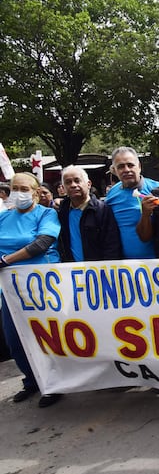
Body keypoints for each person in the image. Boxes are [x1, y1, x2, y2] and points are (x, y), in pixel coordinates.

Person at [0, 172, 62, 407]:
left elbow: (41, 244)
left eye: (24, 188)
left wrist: (6, 260)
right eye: (15, 188)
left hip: (40, 286)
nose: (19, 193)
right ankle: (31, 381)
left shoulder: (46, 214)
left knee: (44, 336)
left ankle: (53, 384)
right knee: (14, 338)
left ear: (36, 192)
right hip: (10, 288)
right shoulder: (3, 218)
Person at [57, 165, 122, 262]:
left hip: (97, 271)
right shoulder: (62, 211)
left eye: (77, 180)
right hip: (70, 272)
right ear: (63, 188)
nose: (73, 185)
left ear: (88, 184)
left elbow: (112, 246)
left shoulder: (102, 210)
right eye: (68, 182)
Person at [105, 147, 159, 259]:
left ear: (139, 166)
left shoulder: (157, 189)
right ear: (114, 171)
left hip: (158, 265)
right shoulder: (111, 195)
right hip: (125, 267)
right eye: (120, 167)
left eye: (130, 165)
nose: (126, 170)